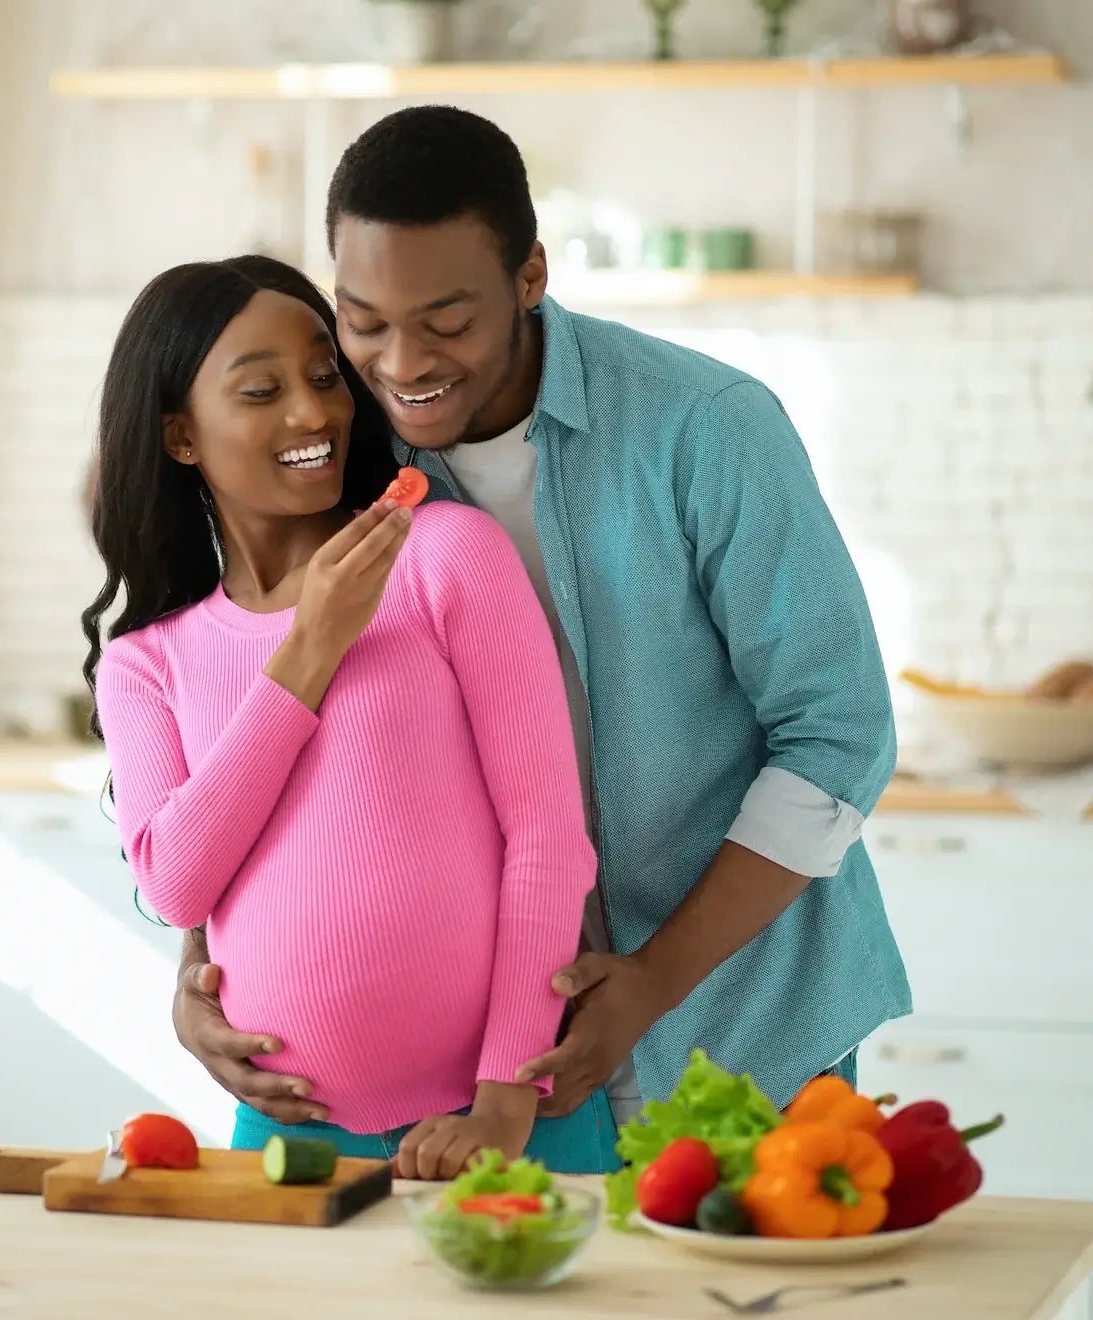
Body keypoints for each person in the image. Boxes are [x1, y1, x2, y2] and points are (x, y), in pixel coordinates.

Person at [171, 107, 912, 1130]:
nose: (397, 363)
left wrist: (652, 978)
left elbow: (837, 737)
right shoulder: (330, 458)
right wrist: (196, 969)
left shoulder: (700, 430)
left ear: (529, 277)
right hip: (462, 1076)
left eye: (446, 320)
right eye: (364, 319)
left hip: (738, 1029)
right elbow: (234, 732)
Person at [83, 254, 620, 1176]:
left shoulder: (446, 557)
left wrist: (502, 1103)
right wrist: (308, 650)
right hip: (285, 1139)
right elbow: (176, 884)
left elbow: (546, 838)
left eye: (325, 376)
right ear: (180, 436)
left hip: (506, 1123)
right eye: (262, 390)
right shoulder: (147, 662)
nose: (313, 413)